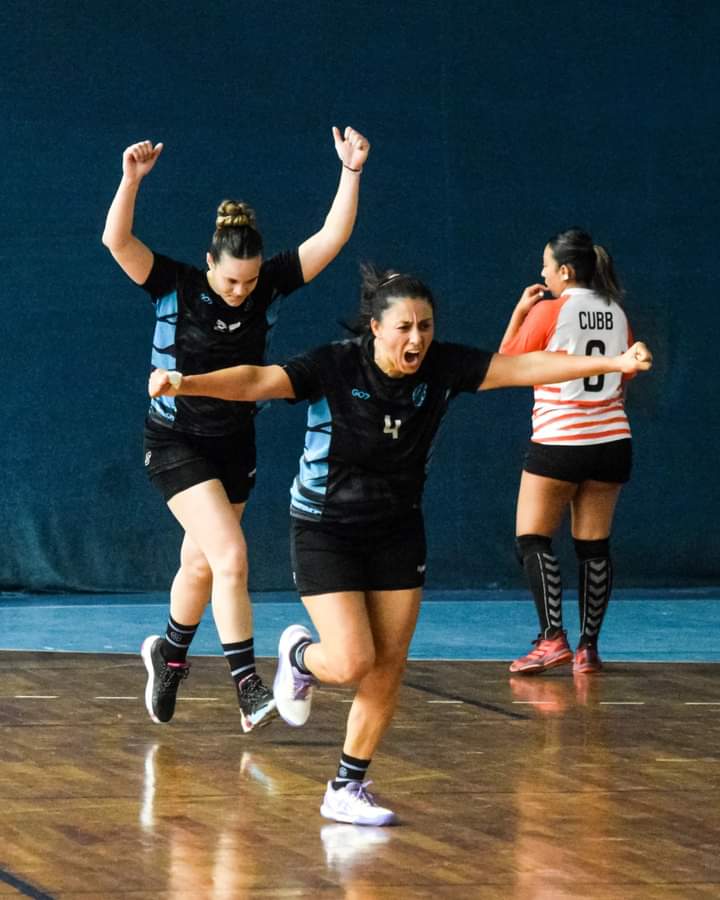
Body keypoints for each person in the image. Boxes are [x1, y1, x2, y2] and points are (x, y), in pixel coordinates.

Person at [148, 265, 652, 823]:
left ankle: (346, 786)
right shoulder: (335, 365)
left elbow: (526, 367)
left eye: (426, 326)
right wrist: (186, 382)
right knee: (351, 659)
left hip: (397, 529)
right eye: (405, 327)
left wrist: (614, 361)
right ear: (375, 328)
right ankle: (298, 656)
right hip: (325, 528)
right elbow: (256, 381)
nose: (417, 338)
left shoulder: (442, 368)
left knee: (388, 665)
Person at [101, 126, 370, 732]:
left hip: (234, 444)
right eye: (230, 281)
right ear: (209, 265)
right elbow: (115, 239)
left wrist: (350, 172)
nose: (240, 291)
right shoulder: (174, 284)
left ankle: (168, 655)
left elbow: (332, 237)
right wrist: (131, 180)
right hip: (175, 441)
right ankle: (248, 684)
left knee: (201, 565)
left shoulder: (267, 285)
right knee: (230, 555)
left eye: (249, 282)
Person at [499, 228, 638, 676]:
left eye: (546, 265)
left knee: (532, 538)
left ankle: (552, 637)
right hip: (612, 440)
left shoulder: (550, 309)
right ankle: (588, 648)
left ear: (564, 270)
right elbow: (626, 372)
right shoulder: (616, 311)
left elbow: (508, 365)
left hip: (560, 440)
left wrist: (521, 313)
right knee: (594, 545)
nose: (541, 273)